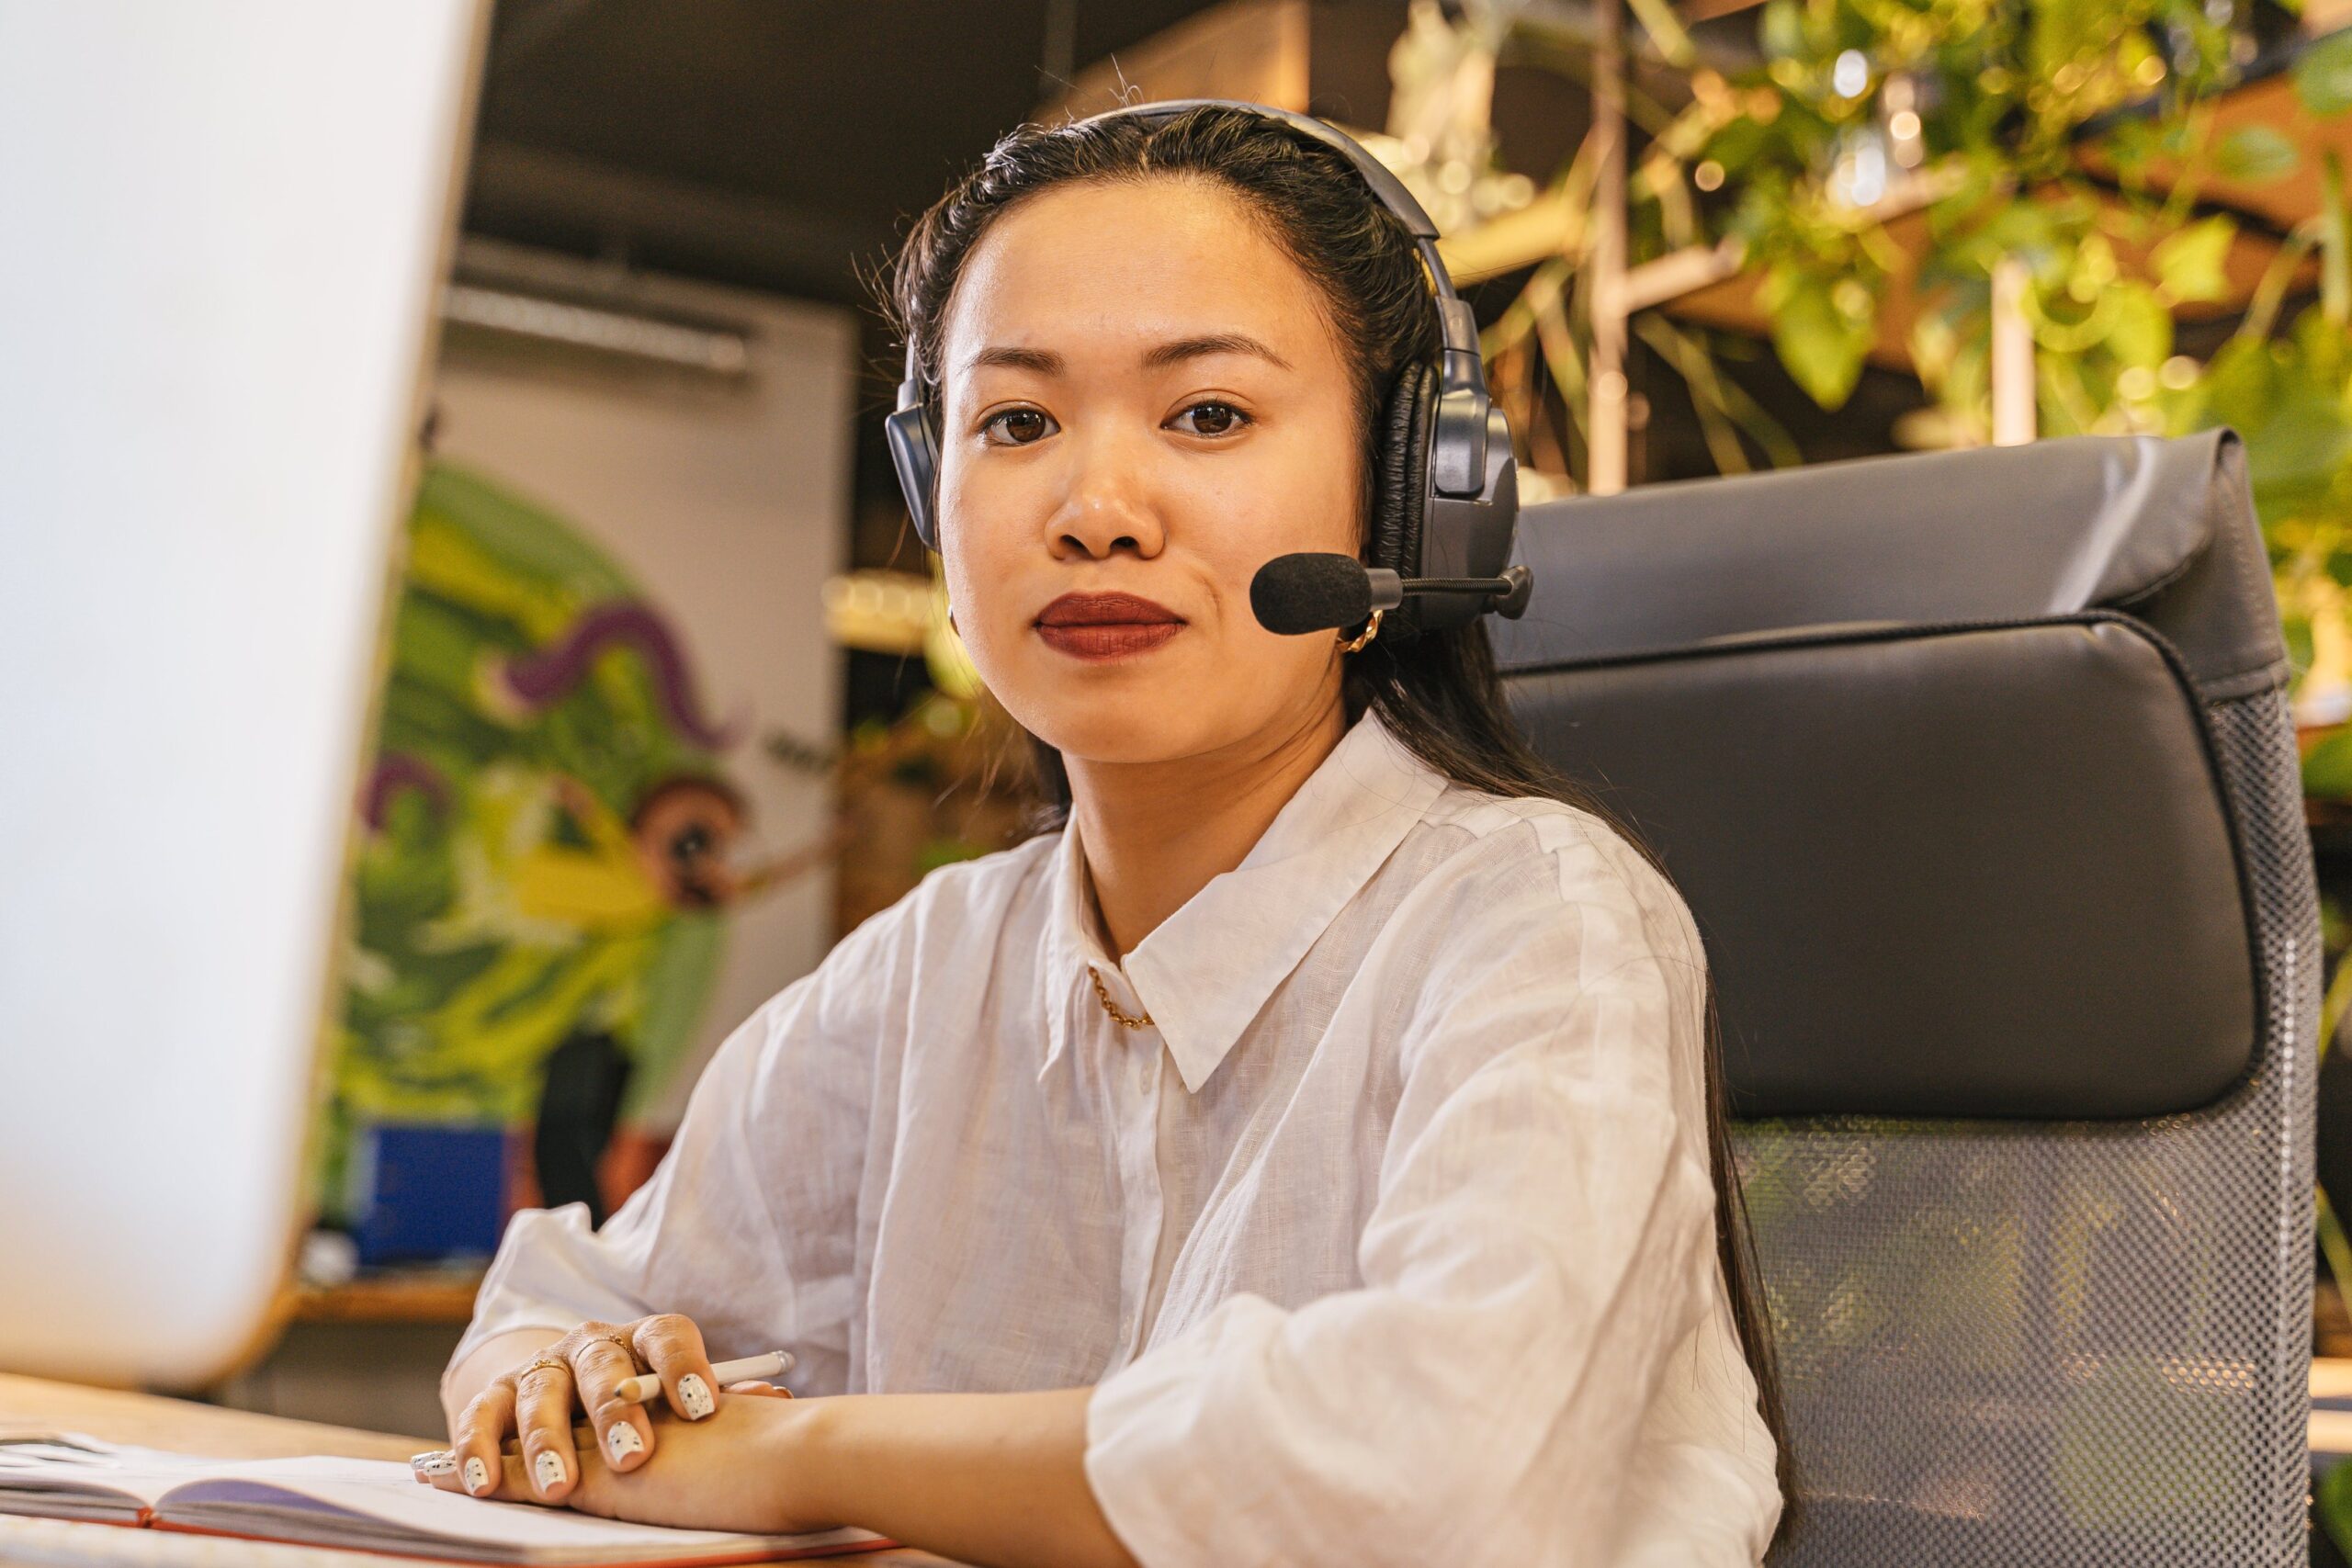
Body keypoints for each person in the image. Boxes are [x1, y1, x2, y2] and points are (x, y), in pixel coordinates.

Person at [417, 102, 1790, 1566]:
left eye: (1208, 413)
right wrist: (549, 1386)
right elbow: (564, 1299)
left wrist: (799, 1455)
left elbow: (1439, 1474)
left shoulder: (1541, 929)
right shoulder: (929, 974)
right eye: (1015, 422)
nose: (1095, 509)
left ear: (1410, 496)